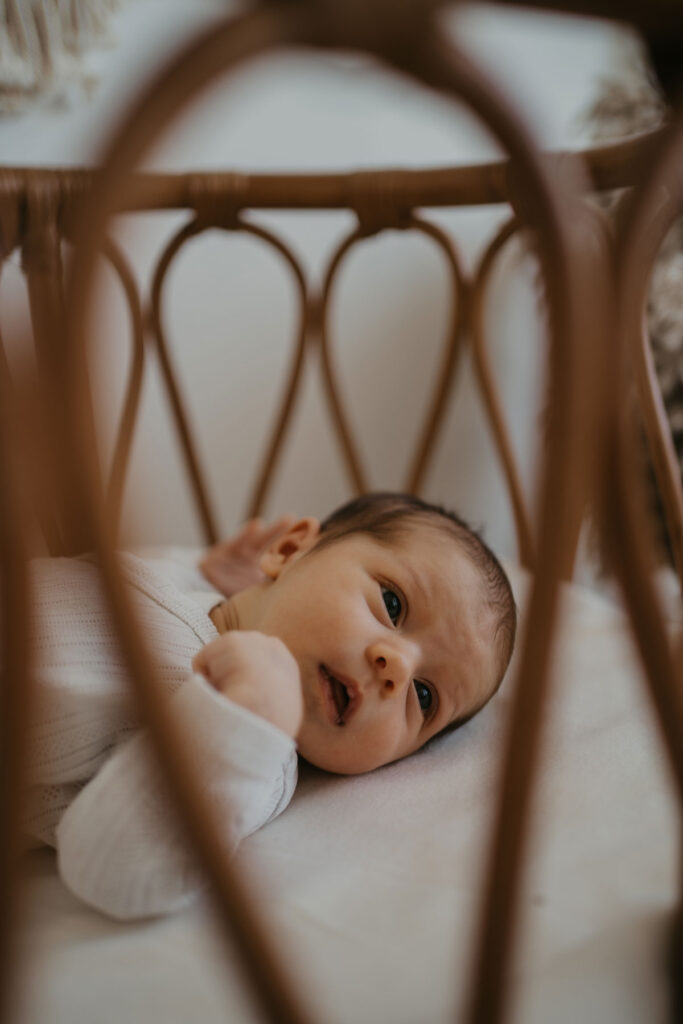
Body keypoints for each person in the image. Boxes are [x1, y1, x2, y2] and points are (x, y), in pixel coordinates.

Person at [22, 492, 516, 919]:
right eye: (392, 605)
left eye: (424, 697)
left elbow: (112, 867)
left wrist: (240, 723)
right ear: (288, 548)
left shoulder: (259, 761)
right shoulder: (195, 595)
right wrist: (201, 571)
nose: (398, 668)